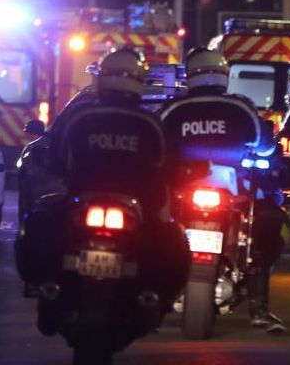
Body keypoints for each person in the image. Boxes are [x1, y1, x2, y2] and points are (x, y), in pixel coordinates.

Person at [15, 47, 190, 330]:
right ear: (138, 80)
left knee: (38, 225)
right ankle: (153, 297)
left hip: (80, 201)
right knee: (174, 242)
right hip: (136, 209)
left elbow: (56, 155)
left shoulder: (82, 117)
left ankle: (46, 287)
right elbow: (168, 164)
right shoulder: (150, 123)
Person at [162, 47, 288, 333]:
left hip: (183, 190)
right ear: (223, 75)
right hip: (230, 188)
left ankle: (152, 298)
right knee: (268, 224)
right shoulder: (240, 106)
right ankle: (259, 309)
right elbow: (264, 146)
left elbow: (155, 145)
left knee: (157, 225)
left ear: (190, 75)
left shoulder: (173, 109)